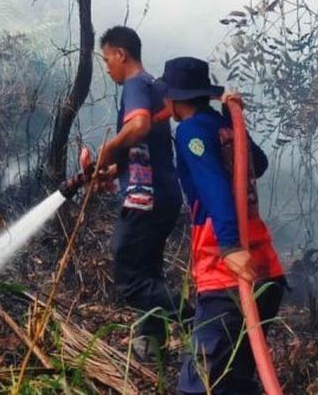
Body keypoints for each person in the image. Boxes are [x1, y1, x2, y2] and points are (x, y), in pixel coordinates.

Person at [159, 56, 287, 395]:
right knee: (235, 381)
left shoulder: (190, 131)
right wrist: (235, 119)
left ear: (175, 98)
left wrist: (229, 246)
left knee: (197, 385)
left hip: (227, 275)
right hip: (265, 270)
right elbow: (257, 163)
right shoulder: (221, 125)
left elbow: (214, 184)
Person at [93, 26, 188, 362]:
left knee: (129, 273)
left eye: (107, 59)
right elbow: (149, 145)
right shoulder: (156, 87)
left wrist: (108, 148)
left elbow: (139, 127)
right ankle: (152, 343)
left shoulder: (135, 84)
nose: (107, 68)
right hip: (166, 194)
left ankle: (201, 320)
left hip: (144, 197)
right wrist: (113, 167)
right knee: (148, 271)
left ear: (121, 54)